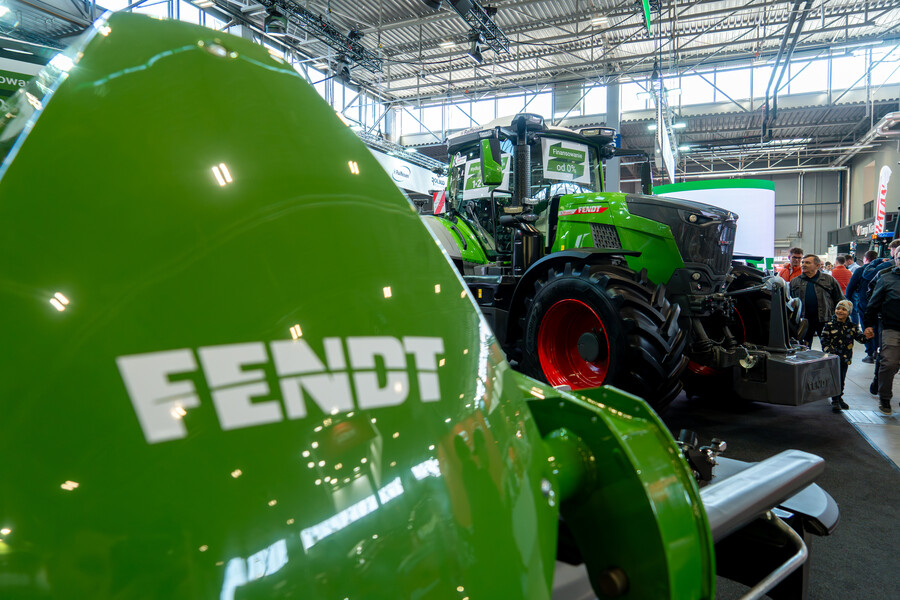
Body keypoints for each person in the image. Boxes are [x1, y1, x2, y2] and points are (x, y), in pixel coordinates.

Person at [863, 249, 900, 415]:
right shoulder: (886, 277)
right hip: (891, 326)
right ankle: (884, 397)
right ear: (895, 258)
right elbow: (873, 302)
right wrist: (868, 324)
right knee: (889, 362)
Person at [820, 300, 868, 412]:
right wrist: (830, 352)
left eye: (844, 309)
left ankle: (839, 397)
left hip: (845, 359)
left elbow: (861, 338)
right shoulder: (829, 325)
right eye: (838, 308)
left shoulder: (852, 326)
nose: (840, 311)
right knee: (835, 379)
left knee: (841, 379)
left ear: (849, 312)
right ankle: (835, 400)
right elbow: (824, 341)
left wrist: (867, 336)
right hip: (833, 359)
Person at [789, 254, 845, 348]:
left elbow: (840, 299)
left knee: (829, 347)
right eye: (803, 262)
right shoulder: (794, 282)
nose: (803, 265)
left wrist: (840, 319)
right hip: (803, 320)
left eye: (807, 263)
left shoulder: (829, 280)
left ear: (817, 265)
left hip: (825, 319)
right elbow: (790, 303)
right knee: (803, 349)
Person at [846, 250, 885, 360]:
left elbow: (850, 288)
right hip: (879, 303)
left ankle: (870, 353)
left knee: (866, 327)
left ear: (865, 259)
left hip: (864, 303)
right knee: (878, 327)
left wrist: (847, 302)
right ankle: (878, 350)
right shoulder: (882, 270)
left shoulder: (860, 270)